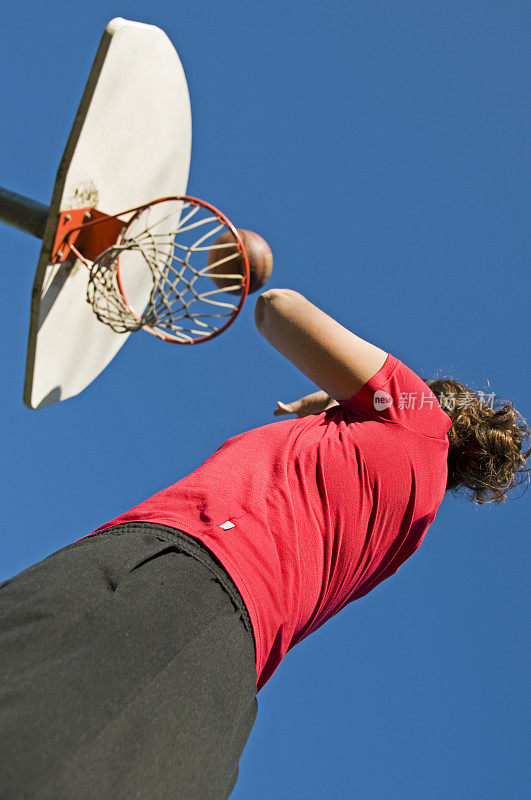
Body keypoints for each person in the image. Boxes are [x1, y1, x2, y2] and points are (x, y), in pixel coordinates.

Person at [0, 289, 529, 800]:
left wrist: (338, 391)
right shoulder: (411, 521)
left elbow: (277, 310)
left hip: (178, 585)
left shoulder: (417, 414)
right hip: (223, 688)